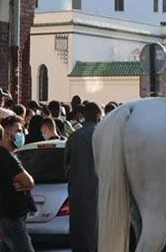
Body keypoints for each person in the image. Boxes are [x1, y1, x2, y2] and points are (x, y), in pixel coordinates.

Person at [0, 115, 36, 252]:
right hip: (12, 218)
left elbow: (26, 183)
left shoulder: (4, 155)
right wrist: (26, 184)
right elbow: (29, 182)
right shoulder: (7, 157)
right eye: (18, 131)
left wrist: (25, 185)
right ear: (6, 132)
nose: (21, 135)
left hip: (7, 217)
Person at [65, 102, 102, 252]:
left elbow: (65, 168)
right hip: (99, 193)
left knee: (79, 234)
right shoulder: (104, 135)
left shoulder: (73, 137)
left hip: (77, 194)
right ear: (98, 116)